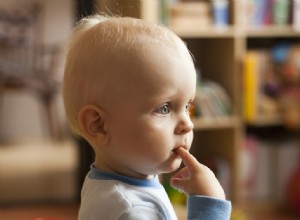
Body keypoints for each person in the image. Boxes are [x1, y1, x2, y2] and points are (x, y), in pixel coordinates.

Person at [63, 15, 231, 220]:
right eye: (164, 108)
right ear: (99, 125)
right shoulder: (132, 211)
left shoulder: (112, 181)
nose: (187, 124)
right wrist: (209, 207)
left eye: (187, 106)